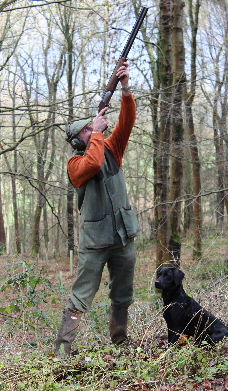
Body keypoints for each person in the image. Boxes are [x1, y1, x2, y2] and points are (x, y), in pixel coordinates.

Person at [55, 62, 139, 357]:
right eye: (90, 129)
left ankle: (120, 342)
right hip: (95, 241)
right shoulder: (75, 163)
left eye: (95, 126)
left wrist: (125, 87)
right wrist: (99, 133)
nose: (97, 129)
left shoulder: (111, 149)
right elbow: (90, 165)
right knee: (81, 295)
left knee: (123, 294)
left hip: (122, 235)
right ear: (79, 139)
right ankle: (64, 350)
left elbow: (127, 122)